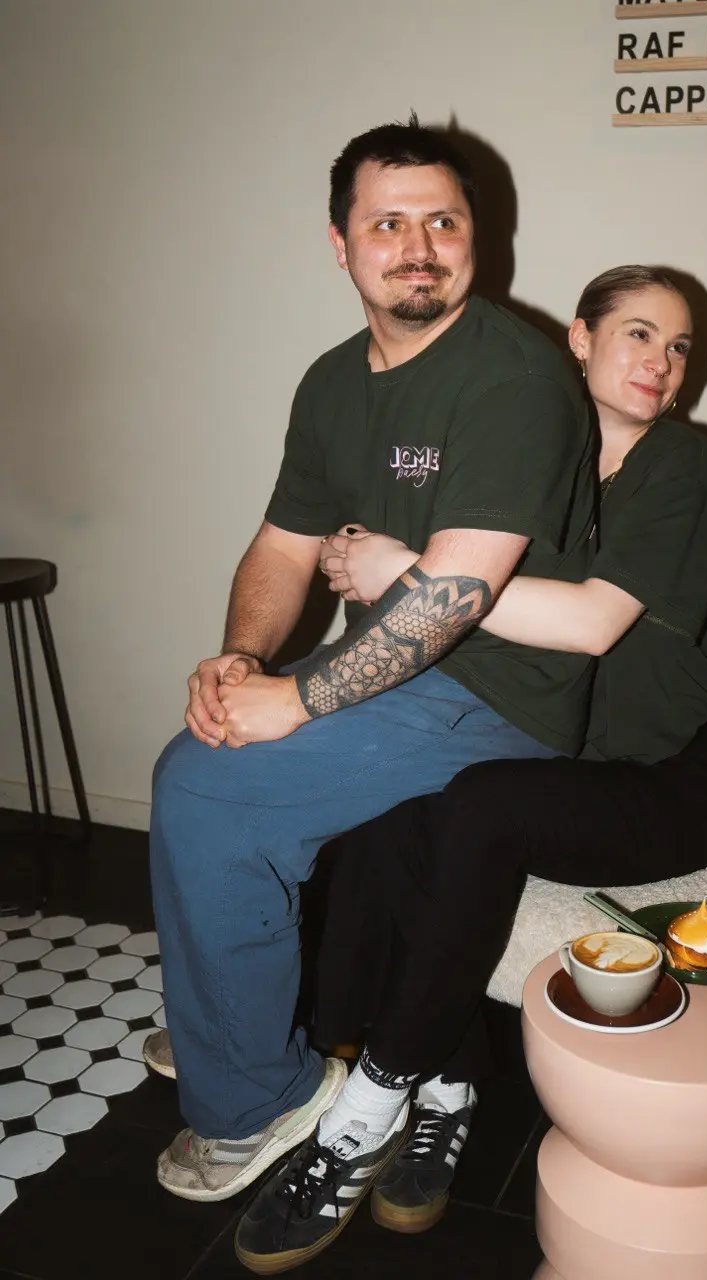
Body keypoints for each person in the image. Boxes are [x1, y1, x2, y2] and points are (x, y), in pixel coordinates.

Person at [231, 266, 707, 1274]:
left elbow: (591, 622)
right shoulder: (527, 461)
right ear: (578, 341)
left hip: (660, 784)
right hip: (539, 755)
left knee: (478, 810)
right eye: (638, 334)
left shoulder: (683, 463)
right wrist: (360, 561)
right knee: (394, 799)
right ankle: (442, 1084)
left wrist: (405, 576)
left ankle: (367, 1109)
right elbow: (416, 587)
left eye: (680, 347)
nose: (662, 363)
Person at [145, 116, 598, 1204]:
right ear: (339, 244)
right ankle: (234, 1023)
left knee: (202, 784)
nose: (418, 245)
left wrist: (295, 696)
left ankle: (253, 1099)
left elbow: (454, 596)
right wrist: (240, 656)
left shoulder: (514, 376)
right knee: (213, 733)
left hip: (502, 689)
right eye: (386, 222)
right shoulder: (331, 383)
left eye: (442, 220)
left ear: (477, 238)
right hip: (406, 668)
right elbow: (283, 543)